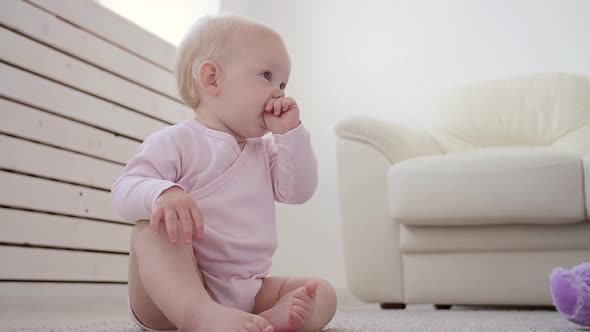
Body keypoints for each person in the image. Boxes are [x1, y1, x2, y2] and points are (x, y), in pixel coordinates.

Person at [111, 14, 337, 332]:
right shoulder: (177, 141)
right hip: (172, 296)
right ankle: (198, 315)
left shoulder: (267, 152)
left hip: (249, 290)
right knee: (152, 229)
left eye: (283, 83)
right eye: (267, 76)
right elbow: (124, 190)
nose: (279, 93)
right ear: (213, 79)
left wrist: (291, 135)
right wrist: (163, 193)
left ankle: (264, 322)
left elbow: (300, 191)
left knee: (321, 291)